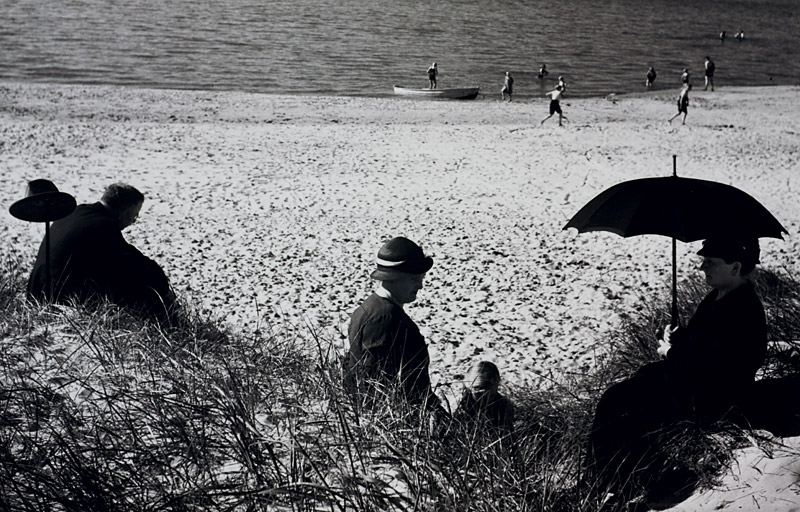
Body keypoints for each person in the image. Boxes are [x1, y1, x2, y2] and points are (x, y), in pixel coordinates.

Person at [587, 237, 767, 498]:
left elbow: (716, 367)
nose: (702, 267)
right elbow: (702, 343)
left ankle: (618, 485)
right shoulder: (718, 295)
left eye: (710, 262)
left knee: (624, 404)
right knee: (620, 398)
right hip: (693, 383)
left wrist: (671, 352)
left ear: (735, 267)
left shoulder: (742, 307)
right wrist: (679, 337)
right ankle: (605, 482)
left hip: (716, 397)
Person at [27, 183, 174, 319]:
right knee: (137, 282)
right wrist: (163, 288)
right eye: (133, 216)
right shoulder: (103, 226)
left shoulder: (77, 212)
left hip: (36, 292)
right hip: (56, 301)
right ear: (122, 211)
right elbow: (137, 263)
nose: (133, 221)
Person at [343, 236, 439, 407]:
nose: (420, 286)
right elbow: (375, 384)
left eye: (421, 279)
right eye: (413, 279)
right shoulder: (386, 319)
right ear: (392, 279)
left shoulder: (369, 307)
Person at [455, 361, 515, 435]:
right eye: (477, 388)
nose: (483, 393)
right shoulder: (460, 405)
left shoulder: (504, 405)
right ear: (468, 386)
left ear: (497, 384)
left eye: (487, 387)